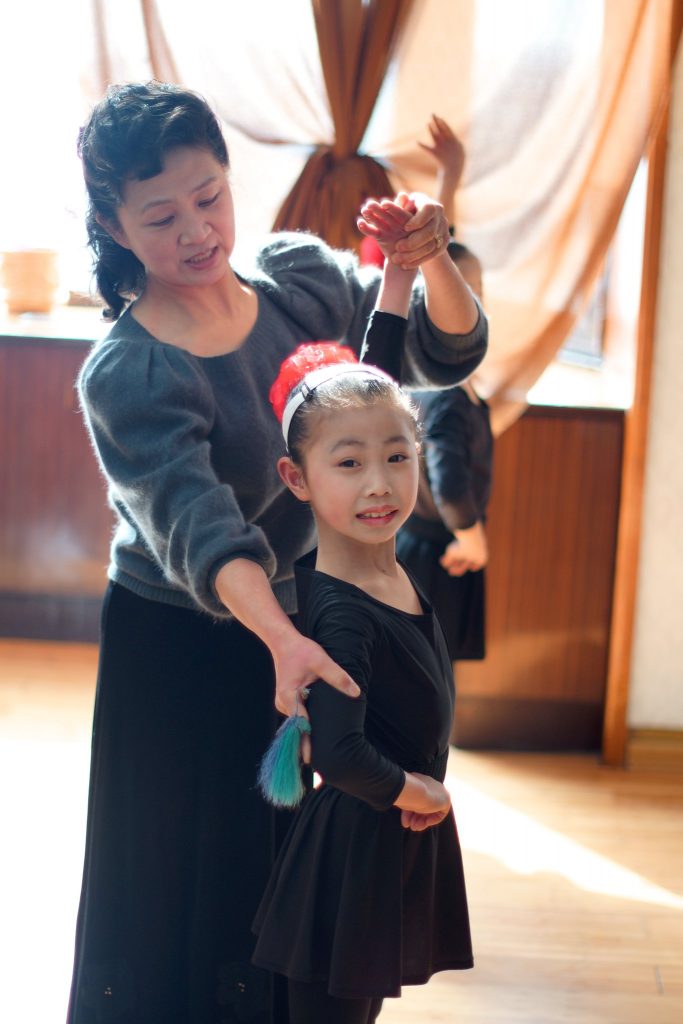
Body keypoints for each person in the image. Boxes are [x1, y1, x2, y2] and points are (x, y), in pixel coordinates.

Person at [68, 81, 486, 1024]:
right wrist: (281, 639)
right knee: (184, 876)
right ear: (115, 225)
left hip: (302, 621)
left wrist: (429, 256)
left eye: (208, 196)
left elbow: (434, 356)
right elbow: (202, 526)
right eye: (160, 216)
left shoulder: (300, 283)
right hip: (183, 643)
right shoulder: (129, 371)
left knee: (288, 866)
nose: (196, 231)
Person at [252, 300, 472, 1022]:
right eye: (348, 464)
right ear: (297, 478)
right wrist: (420, 793)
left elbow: (375, 387)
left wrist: (398, 282)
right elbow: (339, 754)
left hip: (380, 847)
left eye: (397, 457)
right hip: (352, 856)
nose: (378, 483)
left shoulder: (387, 565)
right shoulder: (344, 615)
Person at [395, 116, 493, 661]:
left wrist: (450, 175)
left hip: (440, 542)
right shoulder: (446, 392)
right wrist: (470, 533)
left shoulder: (460, 382)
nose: (468, 306)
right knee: (426, 674)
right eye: (461, 293)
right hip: (440, 548)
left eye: (475, 294)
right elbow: (447, 475)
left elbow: (440, 251)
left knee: (432, 672)